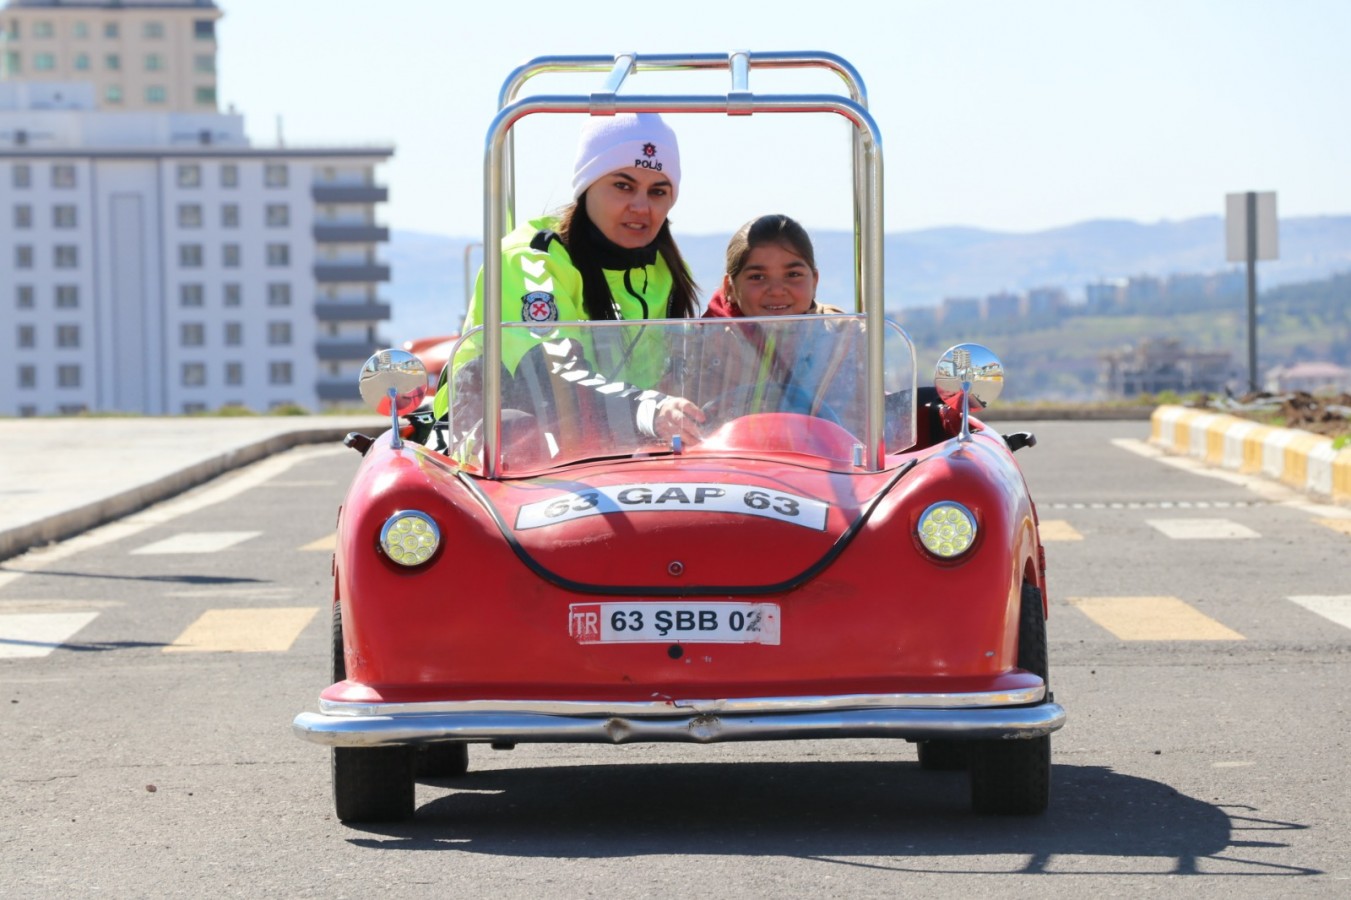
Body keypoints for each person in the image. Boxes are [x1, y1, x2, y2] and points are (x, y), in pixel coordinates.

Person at [433, 112, 706, 452]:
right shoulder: (530, 259)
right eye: (623, 186)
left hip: (624, 450)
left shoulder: (669, 271)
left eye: (658, 191)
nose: (640, 206)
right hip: (500, 453)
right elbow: (555, 385)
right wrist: (651, 411)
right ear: (586, 186)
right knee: (522, 435)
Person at [685, 214, 859, 426]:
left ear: (814, 280)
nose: (776, 291)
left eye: (793, 274)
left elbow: (861, 427)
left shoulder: (844, 338)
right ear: (730, 287)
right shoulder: (704, 345)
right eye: (757, 277)